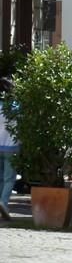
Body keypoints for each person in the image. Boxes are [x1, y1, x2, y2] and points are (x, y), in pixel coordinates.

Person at [0, 77, 17, 220]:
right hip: (12, 145)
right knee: (9, 178)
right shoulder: (16, 106)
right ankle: (3, 204)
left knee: (0, 178)